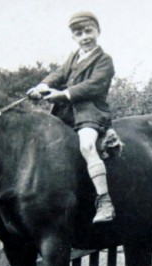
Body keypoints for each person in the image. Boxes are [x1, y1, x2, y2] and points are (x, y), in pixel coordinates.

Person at [27, 11, 116, 223]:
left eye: (88, 31)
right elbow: (58, 74)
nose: (85, 37)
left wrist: (65, 94)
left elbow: (94, 85)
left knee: (86, 146)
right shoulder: (74, 57)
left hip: (91, 111)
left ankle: (105, 201)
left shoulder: (104, 60)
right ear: (73, 37)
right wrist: (42, 86)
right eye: (79, 33)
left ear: (98, 31)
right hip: (68, 113)